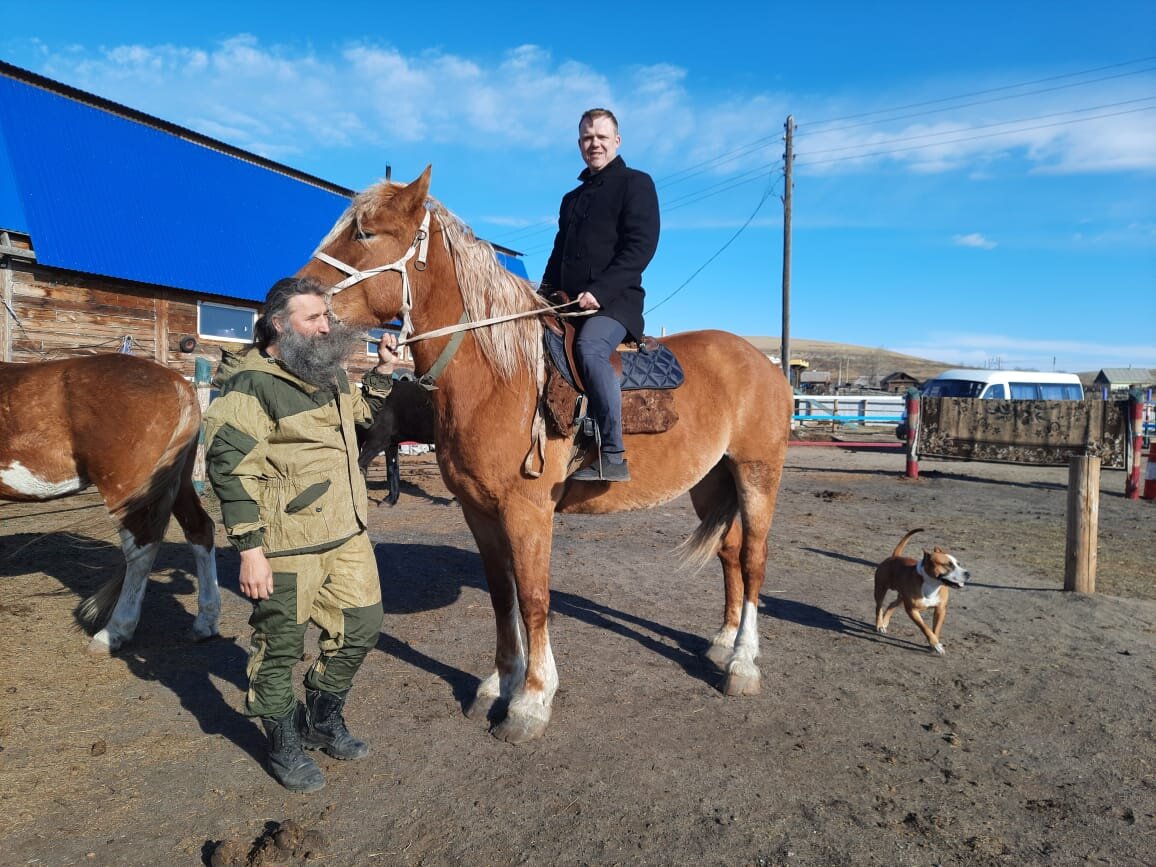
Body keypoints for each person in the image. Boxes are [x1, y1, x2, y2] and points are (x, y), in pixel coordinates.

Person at [202, 276, 398, 793]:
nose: (325, 326)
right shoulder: (250, 384)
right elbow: (228, 468)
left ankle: (322, 717)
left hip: (347, 532)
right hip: (286, 544)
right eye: (314, 318)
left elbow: (357, 420)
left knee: (363, 627)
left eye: (326, 317)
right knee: (280, 648)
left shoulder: (328, 371)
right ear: (278, 324)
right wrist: (250, 550)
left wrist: (381, 373)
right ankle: (283, 740)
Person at [541, 107, 660, 482]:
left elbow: (641, 247)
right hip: (569, 303)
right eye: (587, 138)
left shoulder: (636, 183)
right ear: (580, 144)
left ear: (617, 141)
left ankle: (612, 454)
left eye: (602, 137)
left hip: (615, 303)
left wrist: (600, 292)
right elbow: (559, 253)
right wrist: (540, 296)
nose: (594, 144)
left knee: (589, 349)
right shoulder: (571, 199)